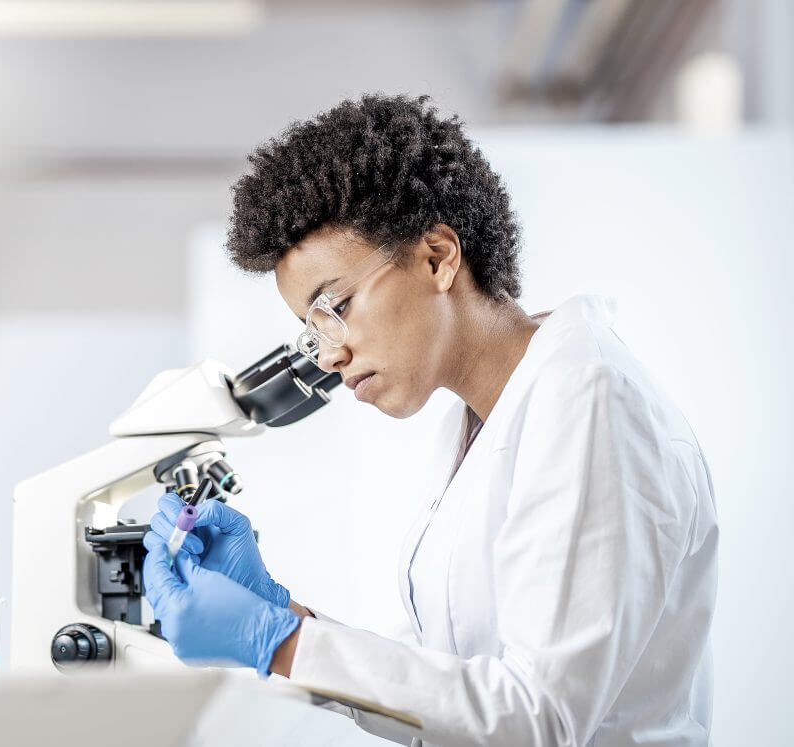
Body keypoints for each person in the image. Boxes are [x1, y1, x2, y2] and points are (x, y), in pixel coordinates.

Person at [142, 94, 718, 746]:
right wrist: (285, 614)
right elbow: (450, 679)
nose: (328, 352)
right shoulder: (479, 422)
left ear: (438, 255)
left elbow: (538, 715)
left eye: (335, 306)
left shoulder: (588, 399)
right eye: (310, 328)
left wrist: (285, 644)